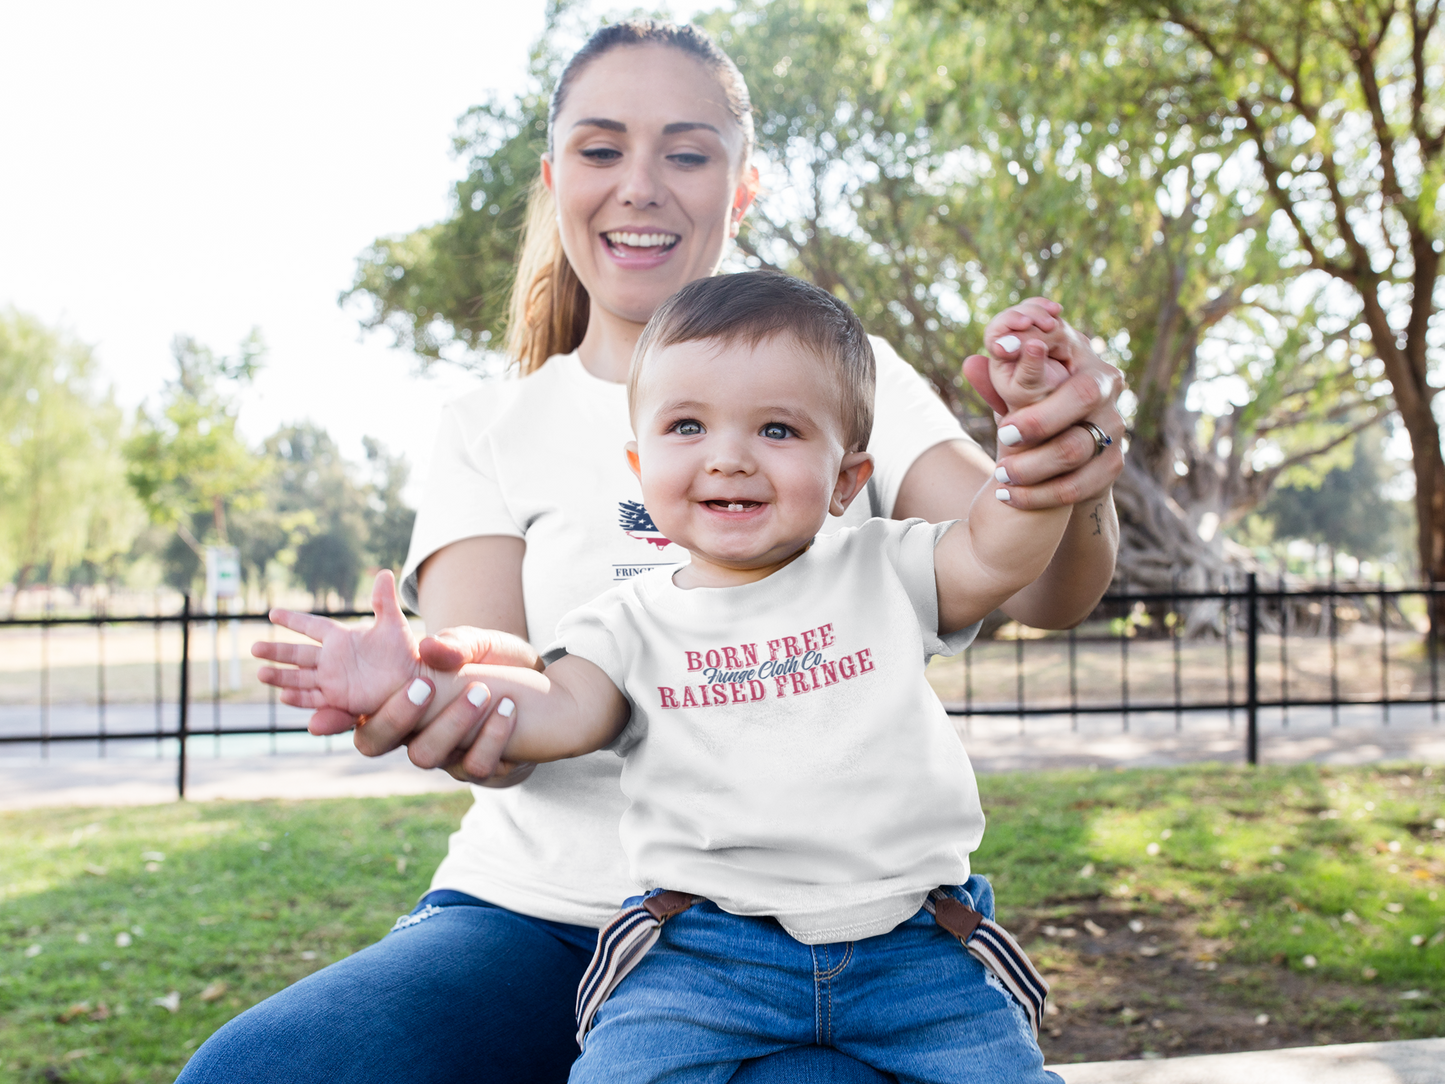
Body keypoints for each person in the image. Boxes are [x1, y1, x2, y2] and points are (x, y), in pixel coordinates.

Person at [180, 19, 1122, 1084]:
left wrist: (1060, 467)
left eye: (685, 150)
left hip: (822, 929)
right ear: (552, 181)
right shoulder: (489, 425)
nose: (640, 185)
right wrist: (436, 688)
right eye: (599, 149)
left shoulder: (841, 371)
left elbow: (1029, 575)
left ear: (742, 186)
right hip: (534, 919)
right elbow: (508, 664)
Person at [263, 271, 1069, 1084]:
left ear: (846, 479)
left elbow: (994, 550)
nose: (728, 458)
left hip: (916, 947)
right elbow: (554, 706)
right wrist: (423, 686)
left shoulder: (884, 566)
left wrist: (1037, 454)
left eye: (778, 431)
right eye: (687, 426)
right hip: (704, 954)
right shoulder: (627, 621)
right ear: (638, 463)